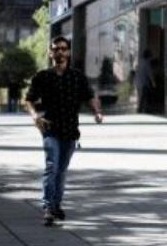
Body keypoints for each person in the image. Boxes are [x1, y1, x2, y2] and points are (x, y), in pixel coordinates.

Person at [25, 36, 103, 226]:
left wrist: (97, 113)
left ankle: (56, 205)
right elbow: (29, 100)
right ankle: (47, 207)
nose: (59, 52)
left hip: (70, 131)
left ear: (68, 52)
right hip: (50, 129)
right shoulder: (42, 76)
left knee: (61, 171)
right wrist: (35, 116)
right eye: (56, 49)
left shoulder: (77, 77)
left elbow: (89, 96)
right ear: (50, 53)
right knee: (52, 167)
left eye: (63, 48)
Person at [135, 49, 155, 113]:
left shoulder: (140, 62)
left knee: (140, 97)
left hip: (137, 82)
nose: (151, 58)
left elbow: (137, 72)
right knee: (144, 97)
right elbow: (150, 74)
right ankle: (143, 110)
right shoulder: (147, 63)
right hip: (143, 83)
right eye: (151, 56)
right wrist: (153, 83)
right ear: (148, 56)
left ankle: (140, 109)